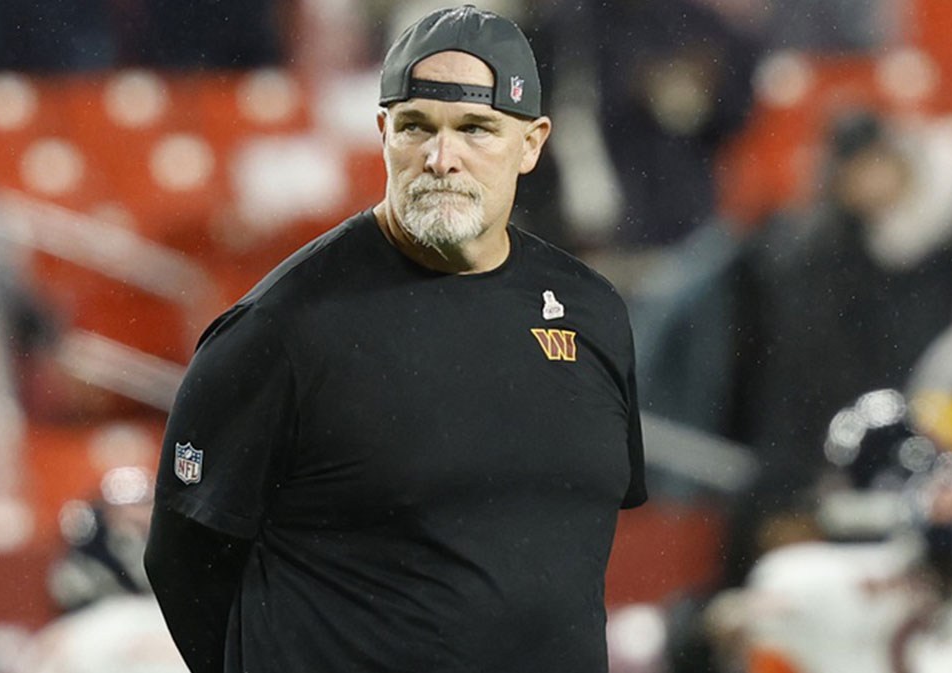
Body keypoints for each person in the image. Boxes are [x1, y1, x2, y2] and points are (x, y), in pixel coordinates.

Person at [144, 6, 648, 673]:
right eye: (416, 127)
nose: (442, 158)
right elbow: (185, 556)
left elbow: (567, 542)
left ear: (531, 143)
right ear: (383, 130)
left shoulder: (591, 312)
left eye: (476, 129)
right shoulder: (282, 327)